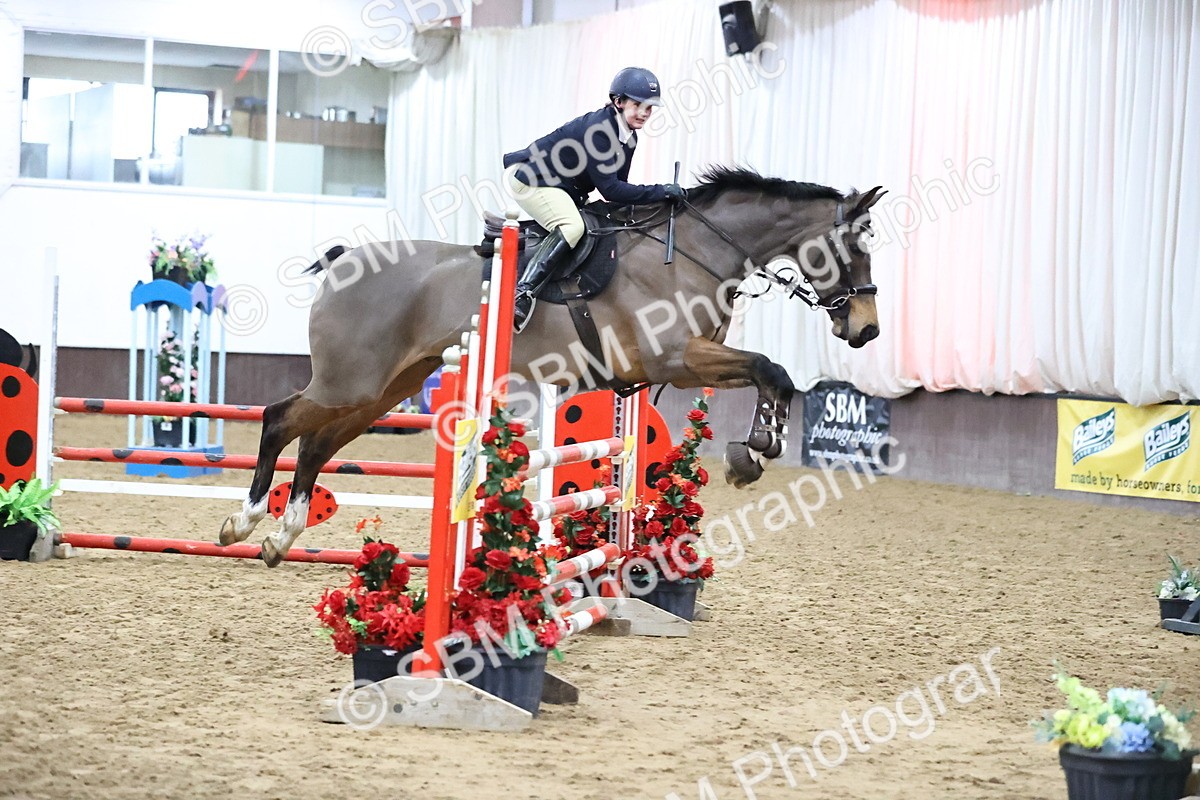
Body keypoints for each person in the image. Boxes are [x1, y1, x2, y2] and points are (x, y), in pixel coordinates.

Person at [502, 66, 687, 332]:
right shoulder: (600, 131)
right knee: (572, 227)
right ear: (618, 102)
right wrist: (661, 191)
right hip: (531, 179)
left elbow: (618, 190)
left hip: (564, 185)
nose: (645, 113)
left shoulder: (629, 136)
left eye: (650, 108)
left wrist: (660, 201)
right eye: (639, 105)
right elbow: (611, 190)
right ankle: (522, 294)